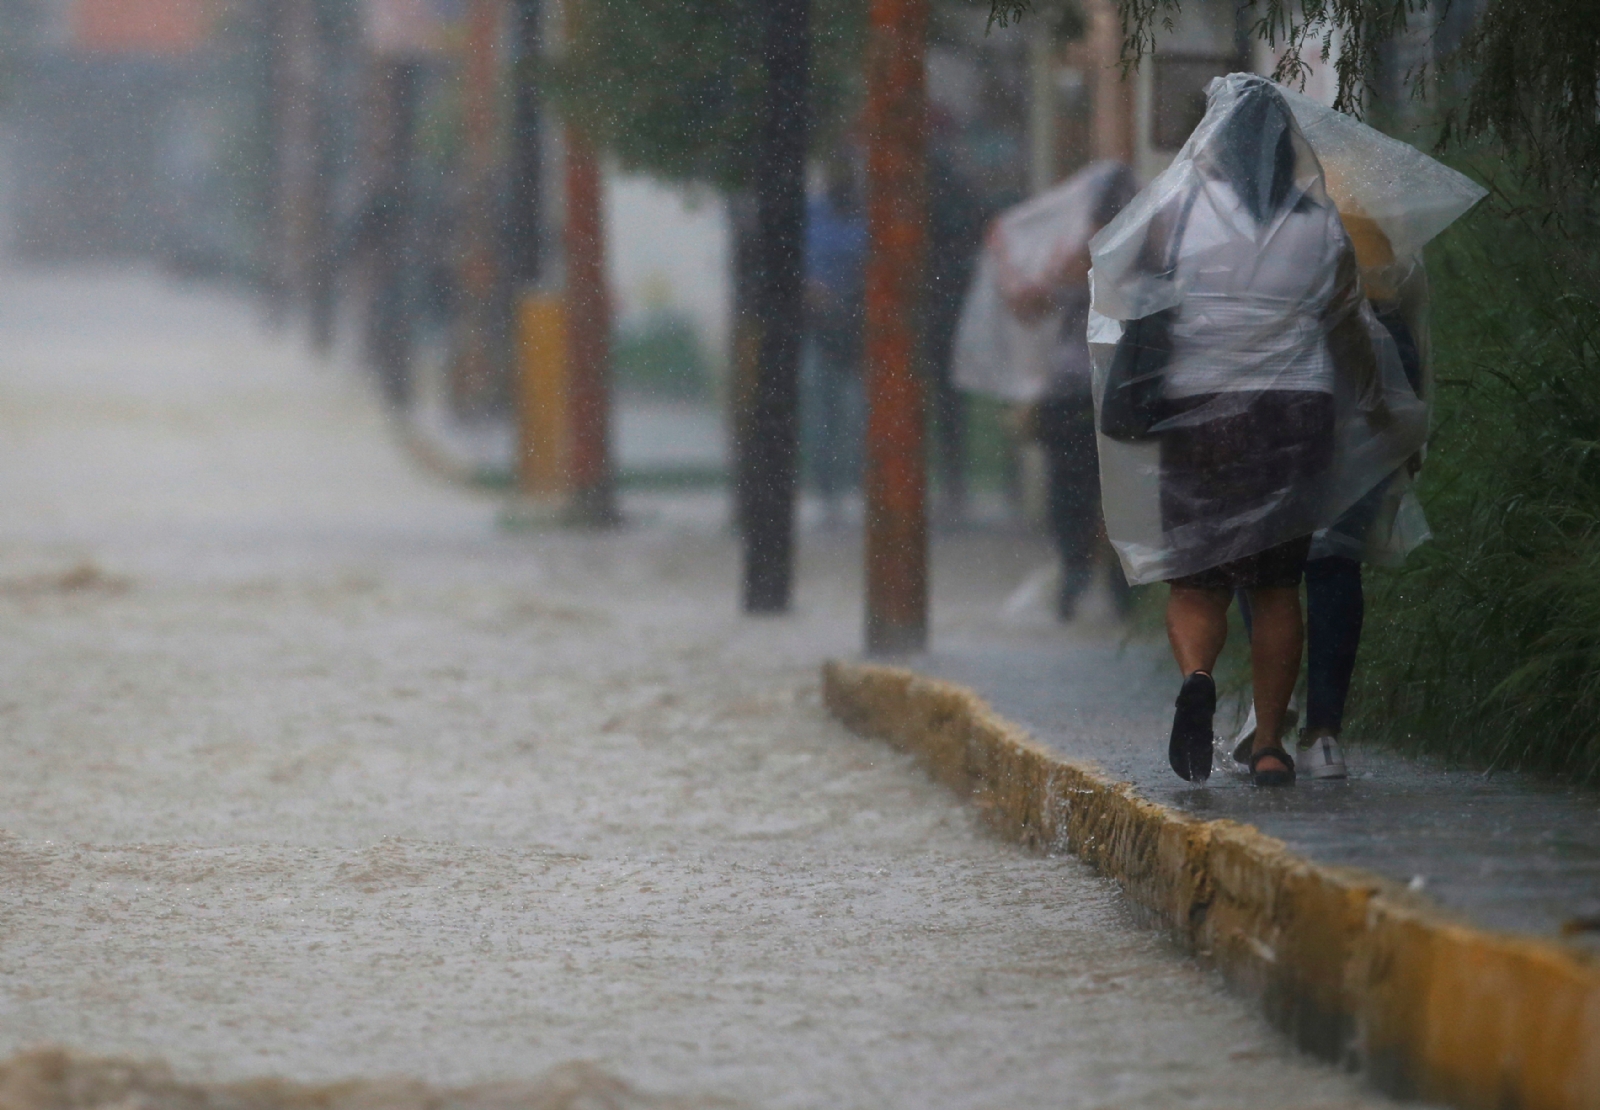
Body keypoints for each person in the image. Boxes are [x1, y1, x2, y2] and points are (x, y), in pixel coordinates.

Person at [1088, 75, 1428, 787]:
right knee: (1278, 587)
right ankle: (1272, 744)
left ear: (1210, 142)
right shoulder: (1319, 225)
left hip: (1200, 414)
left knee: (1198, 583)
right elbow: (1347, 333)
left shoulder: (1174, 216)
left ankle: (1199, 678)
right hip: (1290, 417)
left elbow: (1134, 302)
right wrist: (1377, 407)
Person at [953, 162, 1138, 619]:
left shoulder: (1097, 258)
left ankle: (1091, 579)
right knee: (1098, 491)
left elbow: (1030, 307)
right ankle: (1099, 584)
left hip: (1091, 392)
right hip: (1097, 392)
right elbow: (1031, 307)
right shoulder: (1114, 257)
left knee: (1081, 490)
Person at [800, 157, 867, 519]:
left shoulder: (867, 216)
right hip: (820, 324)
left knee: (857, 411)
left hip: (858, 325)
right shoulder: (813, 214)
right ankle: (827, 489)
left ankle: (855, 485)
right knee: (823, 410)